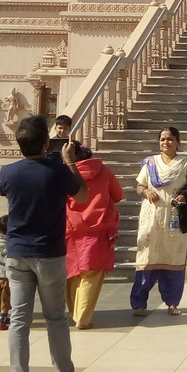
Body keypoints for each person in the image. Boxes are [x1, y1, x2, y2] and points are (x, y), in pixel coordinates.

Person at [0, 115, 93, 372]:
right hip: (49, 253)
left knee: (19, 321)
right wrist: (68, 162)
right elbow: (82, 195)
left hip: (17, 253)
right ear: (45, 143)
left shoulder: (7, 172)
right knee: (55, 318)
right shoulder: (56, 171)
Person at [131, 126, 187, 316]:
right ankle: (139, 303)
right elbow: (139, 185)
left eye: (170, 139)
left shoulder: (186, 163)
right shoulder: (150, 163)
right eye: (162, 139)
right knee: (146, 260)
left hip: (175, 218)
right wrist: (145, 191)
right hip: (151, 218)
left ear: (178, 142)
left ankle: (172, 302)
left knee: (173, 261)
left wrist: (184, 197)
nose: (165, 142)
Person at [65, 140, 123, 330]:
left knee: (72, 274)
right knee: (92, 275)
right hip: (99, 230)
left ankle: (75, 314)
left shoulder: (66, 172)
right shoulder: (104, 171)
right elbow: (118, 195)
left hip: (71, 229)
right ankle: (83, 318)